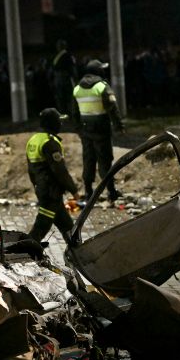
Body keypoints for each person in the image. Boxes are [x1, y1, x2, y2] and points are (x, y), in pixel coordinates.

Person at [72, 59, 125, 201]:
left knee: (88, 159)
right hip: (101, 128)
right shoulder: (102, 87)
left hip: (85, 129)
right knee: (105, 159)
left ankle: (88, 192)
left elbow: (74, 112)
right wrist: (119, 126)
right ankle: (111, 191)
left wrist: (78, 129)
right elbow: (113, 109)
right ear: (98, 71)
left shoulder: (77, 88)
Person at [26, 108, 79, 243]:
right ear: (52, 123)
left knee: (67, 225)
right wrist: (73, 190)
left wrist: (37, 186)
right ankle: (26, 249)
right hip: (51, 192)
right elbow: (60, 171)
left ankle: (76, 249)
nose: (61, 124)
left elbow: (31, 170)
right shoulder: (50, 142)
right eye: (59, 121)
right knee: (40, 228)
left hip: (43, 189)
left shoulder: (33, 140)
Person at [51, 39, 77, 115]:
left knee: (64, 99)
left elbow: (72, 69)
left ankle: (67, 114)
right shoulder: (66, 56)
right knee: (64, 99)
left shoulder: (65, 56)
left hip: (65, 79)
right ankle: (67, 114)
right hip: (62, 79)